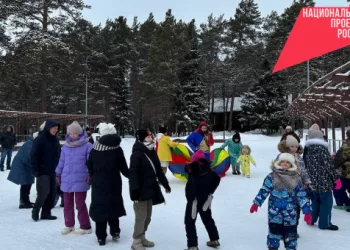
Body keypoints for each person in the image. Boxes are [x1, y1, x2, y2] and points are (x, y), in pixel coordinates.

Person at [250, 153, 312, 250]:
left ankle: (291, 247)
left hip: (290, 213)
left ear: (292, 165)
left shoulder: (296, 178)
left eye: (288, 162)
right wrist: (256, 203)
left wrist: (307, 210)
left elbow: (301, 195)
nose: (285, 164)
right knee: (274, 232)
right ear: (278, 163)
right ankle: (272, 247)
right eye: (282, 161)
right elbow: (264, 190)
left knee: (290, 234)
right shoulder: (272, 176)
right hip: (274, 212)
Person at [87, 123, 129, 246]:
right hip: (114, 182)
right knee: (113, 206)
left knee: (100, 207)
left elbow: (89, 165)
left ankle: (101, 236)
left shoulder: (95, 148)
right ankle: (115, 231)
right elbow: (124, 168)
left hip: (98, 183)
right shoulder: (117, 149)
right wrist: (135, 177)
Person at [129, 129, 171, 250]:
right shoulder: (137, 154)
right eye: (148, 137)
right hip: (140, 191)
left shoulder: (152, 151)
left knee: (147, 217)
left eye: (151, 137)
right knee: (141, 217)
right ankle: (136, 241)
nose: (151, 139)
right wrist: (134, 192)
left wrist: (165, 183)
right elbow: (133, 174)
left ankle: (142, 237)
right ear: (141, 139)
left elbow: (158, 170)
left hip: (150, 189)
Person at [56, 121, 93, 235]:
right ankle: (69, 225)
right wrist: (58, 173)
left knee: (80, 203)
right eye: (71, 133)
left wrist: (89, 174)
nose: (73, 135)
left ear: (80, 133)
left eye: (75, 133)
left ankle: (85, 226)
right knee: (67, 203)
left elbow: (90, 162)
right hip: (67, 178)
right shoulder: (66, 146)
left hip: (81, 178)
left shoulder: (88, 146)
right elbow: (62, 161)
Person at [303, 123, 338, 230]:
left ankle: (311, 219)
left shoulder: (307, 150)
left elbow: (305, 165)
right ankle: (324, 224)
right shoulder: (322, 149)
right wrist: (335, 178)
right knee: (326, 203)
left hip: (312, 182)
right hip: (324, 182)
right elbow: (329, 166)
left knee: (315, 202)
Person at [184, 150, 221, 250]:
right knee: (208, 218)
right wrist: (210, 191)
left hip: (194, 201)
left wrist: (191, 198)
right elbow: (217, 179)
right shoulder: (208, 170)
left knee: (189, 221)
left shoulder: (194, 172)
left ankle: (192, 246)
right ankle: (214, 239)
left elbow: (191, 187)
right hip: (205, 200)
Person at [277, 134, 311, 237]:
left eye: (296, 146)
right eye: (292, 146)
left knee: (296, 210)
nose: (294, 148)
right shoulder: (281, 157)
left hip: (298, 187)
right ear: (288, 147)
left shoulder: (299, 158)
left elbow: (304, 171)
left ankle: (293, 230)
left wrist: (306, 182)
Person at [7, 124, 44, 208]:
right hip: (22, 166)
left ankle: (26, 200)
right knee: (25, 183)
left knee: (28, 182)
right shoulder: (30, 144)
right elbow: (31, 157)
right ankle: (23, 202)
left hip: (26, 165)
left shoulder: (33, 142)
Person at [30, 120, 61, 222]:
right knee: (43, 193)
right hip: (42, 171)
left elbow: (58, 155)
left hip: (53, 170)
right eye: (53, 128)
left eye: (57, 128)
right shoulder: (40, 139)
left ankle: (46, 213)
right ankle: (35, 211)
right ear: (48, 128)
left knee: (52, 193)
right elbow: (33, 155)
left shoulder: (55, 140)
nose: (55, 130)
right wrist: (36, 170)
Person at [333, 129, 350, 212]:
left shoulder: (345, 146)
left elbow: (337, 160)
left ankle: (346, 203)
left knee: (338, 189)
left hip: (345, 173)